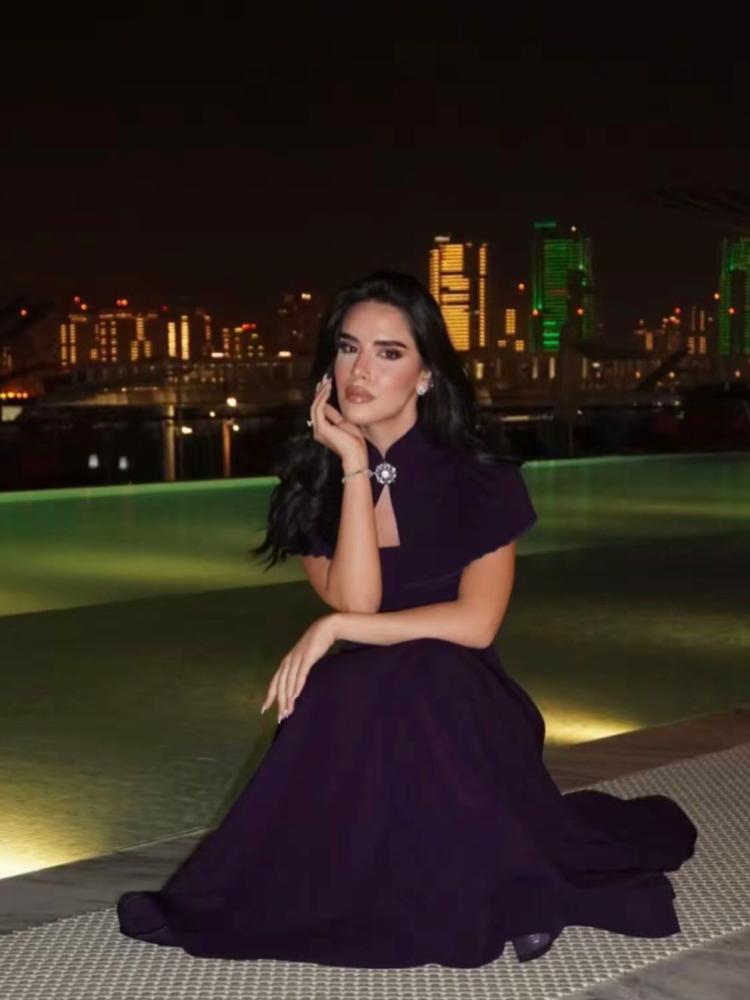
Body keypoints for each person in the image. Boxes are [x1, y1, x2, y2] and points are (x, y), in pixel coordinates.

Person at [117, 270, 698, 969]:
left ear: (425, 376)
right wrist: (353, 465)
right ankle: (486, 889)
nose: (360, 371)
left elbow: (475, 625)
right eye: (348, 347)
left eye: (388, 353)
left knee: (421, 673)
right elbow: (358, 603)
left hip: (465, 700)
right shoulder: (311, 488)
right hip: (365, 701)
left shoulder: (481, 476)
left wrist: (333, 630)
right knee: (350, 689)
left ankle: (512, 889)